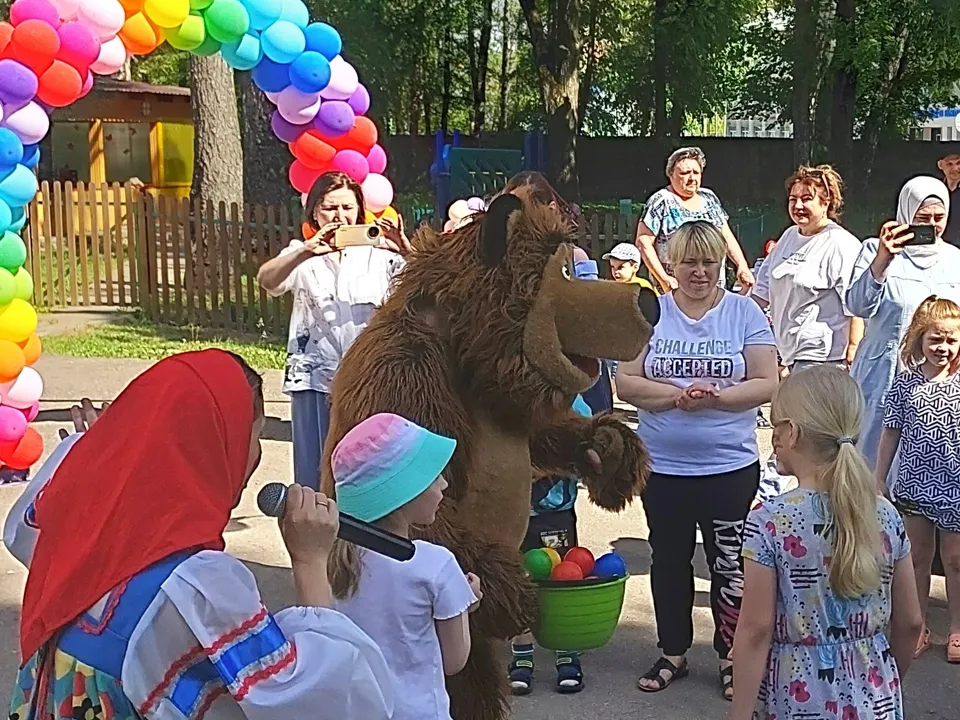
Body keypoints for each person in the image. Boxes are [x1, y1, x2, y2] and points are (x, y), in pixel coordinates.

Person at [3, 350, 395, 720]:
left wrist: (105, 451)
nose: (254, 457)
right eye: (248, 437)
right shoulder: (196, 586)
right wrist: (310, 562)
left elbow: (28, 527)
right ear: (207, 444)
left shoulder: (62, 515)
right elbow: (325, 704)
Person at [616, 220, 779, 700]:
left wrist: (717, 399)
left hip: (729, 466)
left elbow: (767, 382)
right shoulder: (651, 313)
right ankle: (672, 653)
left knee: (729, 566)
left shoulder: (744, 313)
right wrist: (673, 396)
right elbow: (625, 380)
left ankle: (731, 657)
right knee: (668, 560)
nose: (700, 272)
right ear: (672, 264)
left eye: (710, 262)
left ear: (722, 264)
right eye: (690, 262)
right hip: (662, 466)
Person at [729, 365, 923, 720]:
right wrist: (887, 679)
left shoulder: (769, 522)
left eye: (776, 426)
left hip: (798, 698)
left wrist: (739, 714)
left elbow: (755, 630)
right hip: (876, 695)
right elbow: (910, 622)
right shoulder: (885, 515)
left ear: (789, 433)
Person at [256, 171, 412, 490]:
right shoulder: (301, 254)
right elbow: (267, 280)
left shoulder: (382, 258)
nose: (339, 216)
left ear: (359, 211)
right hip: (314, 380)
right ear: (314, 211)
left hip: (369, 380)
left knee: (368, 468)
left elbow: (428, 286)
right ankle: (315, 536)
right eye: (329, 208)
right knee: (315, 472)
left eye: (347, 207)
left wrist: (404, 246)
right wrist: (306, 251)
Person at [327, 413, 482, 720]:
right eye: (432, 475)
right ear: (405, 492)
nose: (444, 484)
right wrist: (463, 604)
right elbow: (454, 659)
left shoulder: (331, 562)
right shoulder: (435, 565)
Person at [845, 176, 960, 480]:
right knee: (871, 464)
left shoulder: (955, 260)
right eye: (923, 218)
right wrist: (883, 259)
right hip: (883, 374)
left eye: (939, 218)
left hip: (939, 379)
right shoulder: (876, 250)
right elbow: (857, 305)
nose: (932, 226)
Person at [875, 296, 960, 662]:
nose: (943, 347)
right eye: (935, 339)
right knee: (917, 559)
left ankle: (957, 629)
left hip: (956, 487)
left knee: (956, 560)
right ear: (920, 340)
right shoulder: (905, 383)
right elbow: (890, 431)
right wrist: (879, 477)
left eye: (951, 340)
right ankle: (918, 624)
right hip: (914, 485)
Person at [508, 395, 593, 696]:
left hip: (554, 512)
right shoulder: (508, 399)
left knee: (563, 579)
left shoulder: (576, 406)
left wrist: (543, 468)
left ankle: (567, 653)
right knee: (518, 581)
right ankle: (522, 654)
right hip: (512, 511)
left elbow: (586, 458)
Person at [752, 165, 863, 372]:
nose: (798, 205)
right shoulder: (789, 236)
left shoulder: (841, 244)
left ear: (825, 203)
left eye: (806, 198)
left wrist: (853, 351)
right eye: (793, 199)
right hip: (787, 354)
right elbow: (761, 291)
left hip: (823, 358)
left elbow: (856, 305)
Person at [633, 146, 755, 294]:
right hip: (676, 291)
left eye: (696, 173)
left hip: (712, 290)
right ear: (671, 175)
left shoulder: (709, 198)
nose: (692, 178)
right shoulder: (661, 201)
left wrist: (741, 265)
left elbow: (726, 235)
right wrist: (664, 279)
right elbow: (643, 242)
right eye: (684, 173)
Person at [938, 151, 960, 247]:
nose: (955, 168)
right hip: (941, 249)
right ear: (940, 165)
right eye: (949, 164)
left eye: (959, 163)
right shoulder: (935, 190)